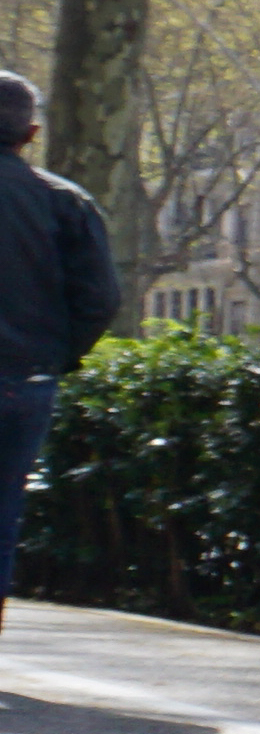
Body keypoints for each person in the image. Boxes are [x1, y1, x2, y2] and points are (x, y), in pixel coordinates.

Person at [0, 74, 120, 639]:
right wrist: (55, 356)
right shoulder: (65, 202)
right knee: (3, 510)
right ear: (32, 132)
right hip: (25, 380)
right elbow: (100, 300)